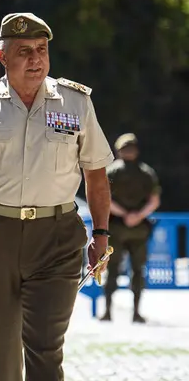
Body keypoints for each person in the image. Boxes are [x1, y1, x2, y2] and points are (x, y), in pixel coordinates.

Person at [0, 12, 114, 381]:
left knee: (45, 346)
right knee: (0, 352)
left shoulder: (76, 103)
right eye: (24, 51)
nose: (35, 59)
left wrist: (102, 235)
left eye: (42, 50)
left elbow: (96, 174)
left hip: (57, 236)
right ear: (2, 56)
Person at [100, 133, 161, 323]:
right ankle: (136, 312)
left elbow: (104, 198)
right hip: (139, 229)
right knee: (137, 270)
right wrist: (138, 216)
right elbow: (154, 200)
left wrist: (124, 215)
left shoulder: (111, 171)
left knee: (112, 269)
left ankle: (108, 311)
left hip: (116, 227)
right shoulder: (147, 172)